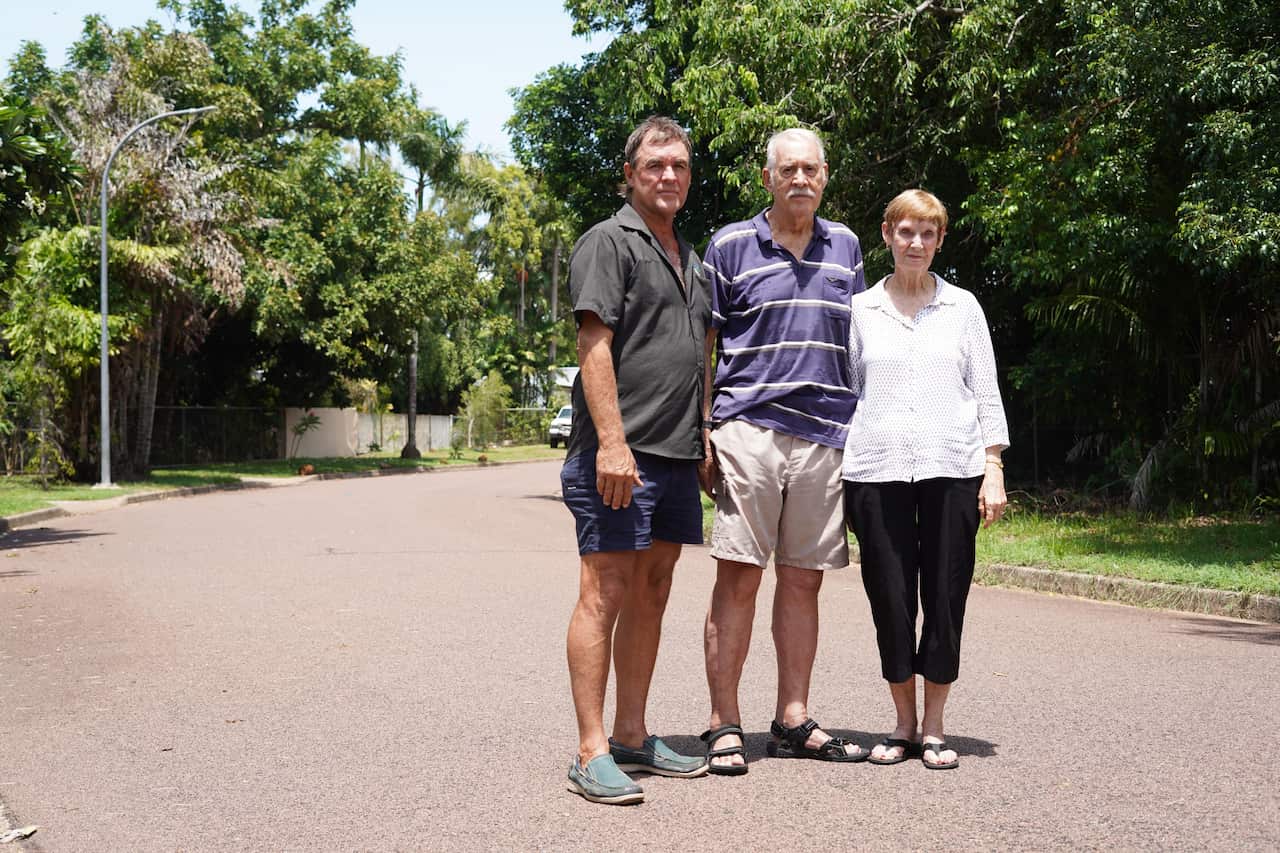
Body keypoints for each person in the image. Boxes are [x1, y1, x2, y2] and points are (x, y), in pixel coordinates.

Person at [699, 128, 868, 775]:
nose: (800, 178)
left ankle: (792, 716)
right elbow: (703, 342)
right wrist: (702, 428)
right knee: (738, 575)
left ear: (825, 176)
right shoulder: (730, 245)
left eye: (811, 169)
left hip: (826, 435)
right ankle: (723, 722)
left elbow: (858, 343)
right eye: (788, 168)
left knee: (803, 579)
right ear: (766, 177)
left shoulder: (846, 246)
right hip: (748, 429)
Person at [561, 116, 713, 805]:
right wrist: (613, 443)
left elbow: (698, 356)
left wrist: (704, 434)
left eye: (679, 164)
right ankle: (591, 750)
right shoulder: (609, 240)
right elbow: (596, 344)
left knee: (653, 591)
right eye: (655, 164)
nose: (668, 175)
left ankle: (631, 734)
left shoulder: (692, 257)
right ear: (630, 173)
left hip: (677, 455)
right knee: (606, 591)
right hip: (620, 455)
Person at [842, 188, 1009, 770]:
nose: (916, 243)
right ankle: (902, 723)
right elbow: (847, 392)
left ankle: (935, 726)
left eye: (928, 233)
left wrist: (993, 467)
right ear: (886, 234)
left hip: (954, 469)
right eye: (905, 231)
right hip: (874, 470)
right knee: (889, 598)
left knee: (944, 596)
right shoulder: (860, 309)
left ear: (939, 241)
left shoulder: (964, 308)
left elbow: (986, 391)